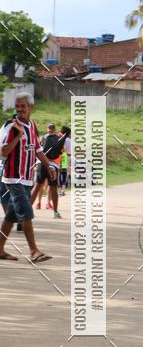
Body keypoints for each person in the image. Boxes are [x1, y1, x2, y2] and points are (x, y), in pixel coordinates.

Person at [0, 93, 58, 263]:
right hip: (13, 179)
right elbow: (3, 152)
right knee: (26, 212)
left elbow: (38, 149)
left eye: (23, 106)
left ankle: (0, 249)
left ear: (31, 107)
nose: (19, 109)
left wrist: (49, 166)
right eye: (17, 106)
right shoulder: (12, 126)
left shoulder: (32, 125)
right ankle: (34, 251)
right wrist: (18, 136)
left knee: (11, 216)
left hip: (26, 178)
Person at [31, 123, 69, 218]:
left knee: (37, 186)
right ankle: (55, 212)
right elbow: (68, 151)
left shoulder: (44, 137)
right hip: (53, 165)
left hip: (41, 163)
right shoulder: (65, 139)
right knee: (53, 188)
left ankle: (28, 210)